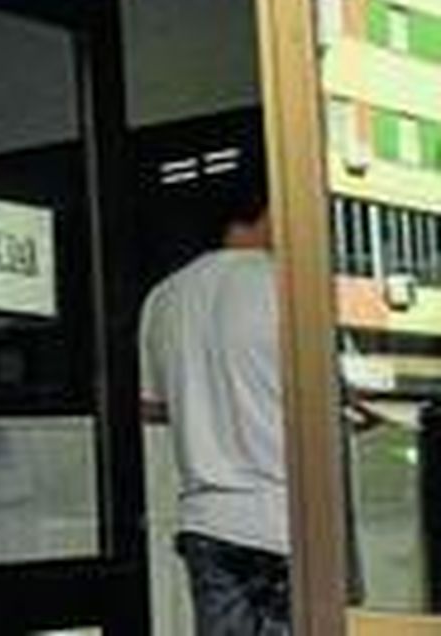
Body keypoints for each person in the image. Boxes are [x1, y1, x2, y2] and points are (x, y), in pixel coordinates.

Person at [140, 183, 288, 635]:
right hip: (286, 516)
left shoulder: (163, 297)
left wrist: (209, 407)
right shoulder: (286, 286)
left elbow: (151, 408)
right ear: (267, 211)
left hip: (208, 521)